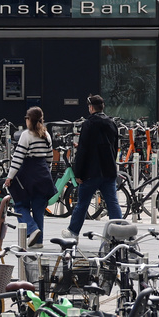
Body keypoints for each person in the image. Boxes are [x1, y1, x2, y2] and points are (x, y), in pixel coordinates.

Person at [67, 95, 122, 238]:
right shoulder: (111, 123)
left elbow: (83, 150)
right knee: (112, 202)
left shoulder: (88, 124)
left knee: (83, 203)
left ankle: (73, 232)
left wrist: (78, 173)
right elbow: (114, 147)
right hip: (108, 170)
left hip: (91, 171)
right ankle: (119, 232)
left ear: (91, 107)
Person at [3, 106, 56, 246]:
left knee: (20, 205)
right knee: (39, 208)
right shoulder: (46, 135)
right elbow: (50, 158)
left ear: (29, 120)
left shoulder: (26, 135)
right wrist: (46, 172)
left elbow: (18, 158)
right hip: (43, 174)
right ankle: (38, 242)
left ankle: (32, 230)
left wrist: (9, 177)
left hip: (28, 175)